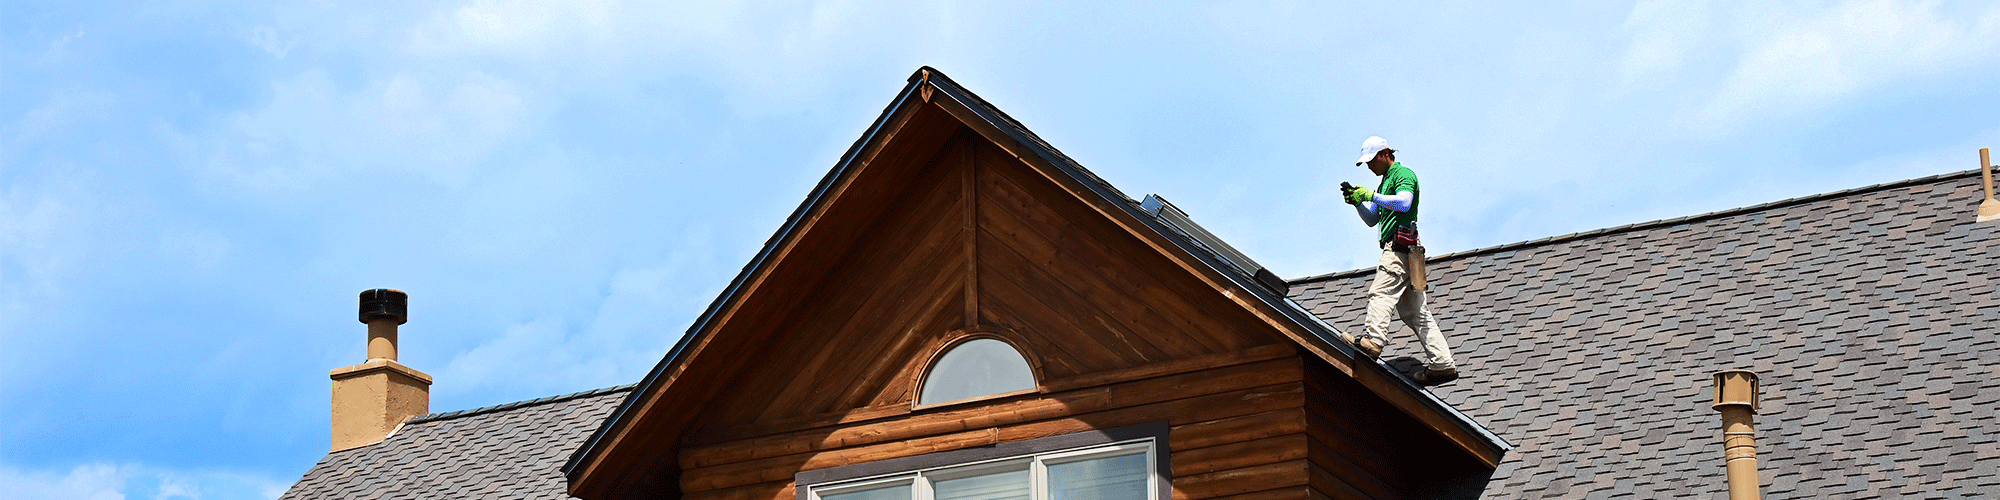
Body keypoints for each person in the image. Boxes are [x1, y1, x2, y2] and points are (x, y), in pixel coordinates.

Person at [1338, 136, 1459, 385]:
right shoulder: (1384, 185)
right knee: (1415, 312)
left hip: (1399, 248)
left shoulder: (1402, 174)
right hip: (1410, 250)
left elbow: (1404, 203)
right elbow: (1373, 219)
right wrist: (1358, 202)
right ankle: (1443, 364)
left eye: (1371, 161)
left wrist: (1370, 194)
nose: (1369, 167)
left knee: (1380, 294)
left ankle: (1373, 340)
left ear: (1385, 153)